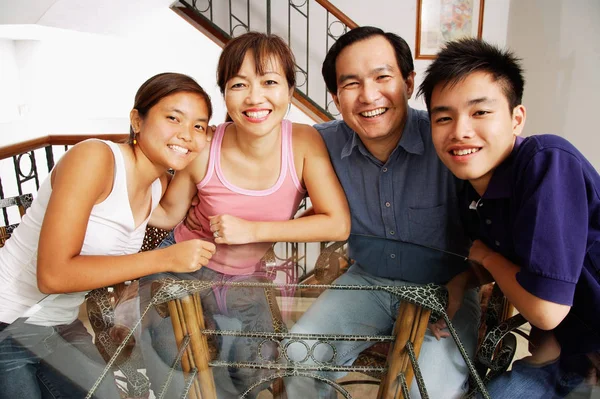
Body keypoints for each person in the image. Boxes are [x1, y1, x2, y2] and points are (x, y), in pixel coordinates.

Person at [271, 26, 479, 398]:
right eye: (351, 84)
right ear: (335, 97)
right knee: (300, 354)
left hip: (447, 286)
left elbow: (496, 229)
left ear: (409, 82)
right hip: (367, 280)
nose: (369, 96)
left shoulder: (448, 138)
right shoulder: (321, 143)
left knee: (427, 391)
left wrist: (465, 281)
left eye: (383, 77)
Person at [140, 31, 350, 398]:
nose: (255, 97)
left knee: (256, 372)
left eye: (270, 82)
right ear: (224, 93)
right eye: (239, 84)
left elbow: (337, 222)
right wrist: (117, 187)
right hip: (181, 266)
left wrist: (253, 230)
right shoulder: (206, 144)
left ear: (290, 91)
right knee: (182, 368)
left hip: (246, 278)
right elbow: (168, 214)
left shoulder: (303, 142)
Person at [0, 72, 217, 398]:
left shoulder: (157, 186)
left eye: (199, 126)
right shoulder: (95, 158)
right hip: (6, 319)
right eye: (174, 118)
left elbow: (174, 213)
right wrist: (162, 258)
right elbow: (52, 275)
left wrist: (206, 151)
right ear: (137, 120)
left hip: (58, 324)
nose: (186, 133)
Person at [418, 38, 600, 398]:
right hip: (567, 357)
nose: (459, 131)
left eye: (480, 112)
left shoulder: (547, 162)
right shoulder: (469, 189)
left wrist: (485, 257)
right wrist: (460, 284)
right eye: (443, 118)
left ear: (516, 119)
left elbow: (546, 311)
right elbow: (495, 261)